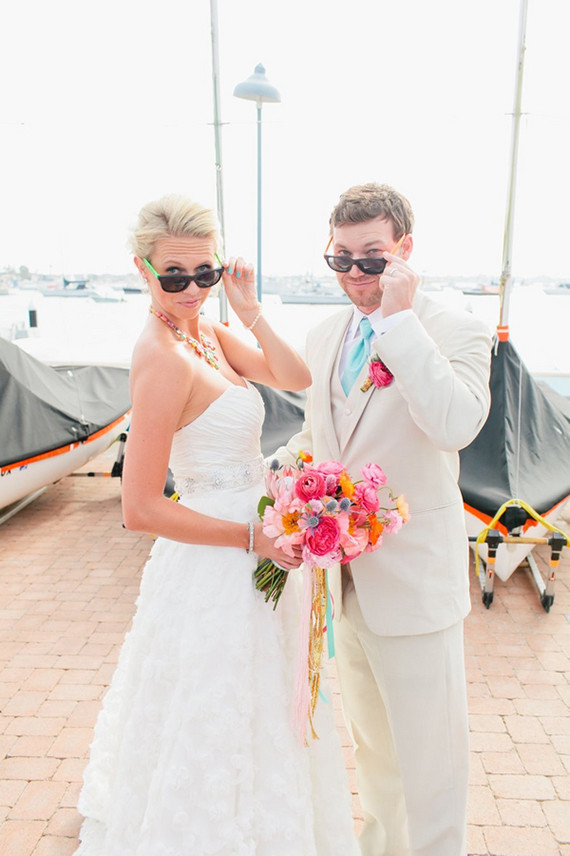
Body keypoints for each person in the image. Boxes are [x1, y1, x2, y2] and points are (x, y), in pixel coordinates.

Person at [74, 194, 359, 856]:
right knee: (216, 701)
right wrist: (250, 538)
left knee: (263, 697)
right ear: (142, 269)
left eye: (204, 273)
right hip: (218, 554)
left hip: (261, 541)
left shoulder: (204, 331)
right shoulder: (162, 358)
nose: (190, 289)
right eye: (174, 276)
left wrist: (249, 308)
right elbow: (139, 507)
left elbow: (294, 375)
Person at [274, 183, 492, 856]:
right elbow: (322, 437)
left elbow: (455, 425)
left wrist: (399, 325)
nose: (354, 273)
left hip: (416, 589)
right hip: (343, 587)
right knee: (375, 757)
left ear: (405, 250)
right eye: (340, 259)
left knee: (433, 764)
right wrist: (278, 477)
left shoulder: (456, 331)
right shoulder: (322, 335)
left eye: (371, 257)